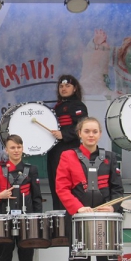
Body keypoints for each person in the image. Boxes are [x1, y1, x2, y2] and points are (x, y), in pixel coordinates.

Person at [56, 117, 129, 261]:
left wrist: (113, 208)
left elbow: (117, 190)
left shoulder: (110, 157)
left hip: (105, 221)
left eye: (95, 131)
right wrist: (78, 208)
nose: (91, 135)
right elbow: (62, 188)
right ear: (79, 133)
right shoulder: (67, 156)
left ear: (99, 134)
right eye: (87, 131)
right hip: (79, 219)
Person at [46, 74, 88, 211]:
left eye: (68, 86)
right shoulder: (56, 107)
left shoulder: (79, 106)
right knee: (55, 186)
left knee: (68, 186)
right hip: (54, 152)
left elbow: (82, 128)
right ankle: (58, 220)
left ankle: (71, 217)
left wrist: (63, 134)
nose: (64, 88)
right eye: (61, 86)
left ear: (75, 88)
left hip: (71, 150)